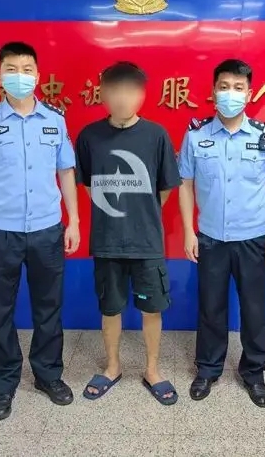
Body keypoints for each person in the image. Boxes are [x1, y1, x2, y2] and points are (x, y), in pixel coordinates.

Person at [0, 41, 80, 421]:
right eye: (11, 69)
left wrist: (74, 221)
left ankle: (48, 375)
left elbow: (66, 172)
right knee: (0, 312)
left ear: (38, 76)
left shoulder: (55, 119)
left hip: (47, 230)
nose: (20, 76)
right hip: (0, 233)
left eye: (27, 69)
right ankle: (3, 383)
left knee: (49, 308)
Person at [178, 59, 265, 408]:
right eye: (224, 87)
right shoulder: (196, 135)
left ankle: (254, 373)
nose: (231, 93)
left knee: (254, 309)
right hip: (210, 237)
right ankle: (208, 369)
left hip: (253, 239)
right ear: (213, 92)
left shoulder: (264, 136)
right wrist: (188, 231)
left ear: (249, 93)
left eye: (238, 88)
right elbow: (185, 185)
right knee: (210, 307)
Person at [75, 61, 182, 405]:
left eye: (130, 91)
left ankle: (152, 370)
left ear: (142, 95)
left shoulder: (156, 135)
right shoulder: (89, 137)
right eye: (114, 91)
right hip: (107, 240)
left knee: (153, 309)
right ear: (102, 94)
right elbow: (89, 185)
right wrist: (117, 211)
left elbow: (165, 188)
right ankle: (112, 367)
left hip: (147, 241)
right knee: (110, 308)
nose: (122, 98)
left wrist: (141, 213)